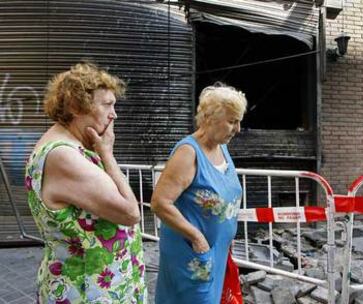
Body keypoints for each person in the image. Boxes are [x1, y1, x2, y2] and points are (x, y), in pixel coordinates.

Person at [25, 62, 147, 304]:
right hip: (86, 291)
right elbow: (130, 212)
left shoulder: (73, 147)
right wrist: (108, 154)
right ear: (76, 106)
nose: (114, 114)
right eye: (107, 105)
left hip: (97, 286)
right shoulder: (64, 155)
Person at [151, 83, 247, 304]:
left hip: (217, 253)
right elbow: (159, 203)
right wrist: (197, 238)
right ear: (209, 118)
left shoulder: (221, 147)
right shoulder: (188, 153)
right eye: (232, 121)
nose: (238, 129)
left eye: (239, 121)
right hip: (193, 254)